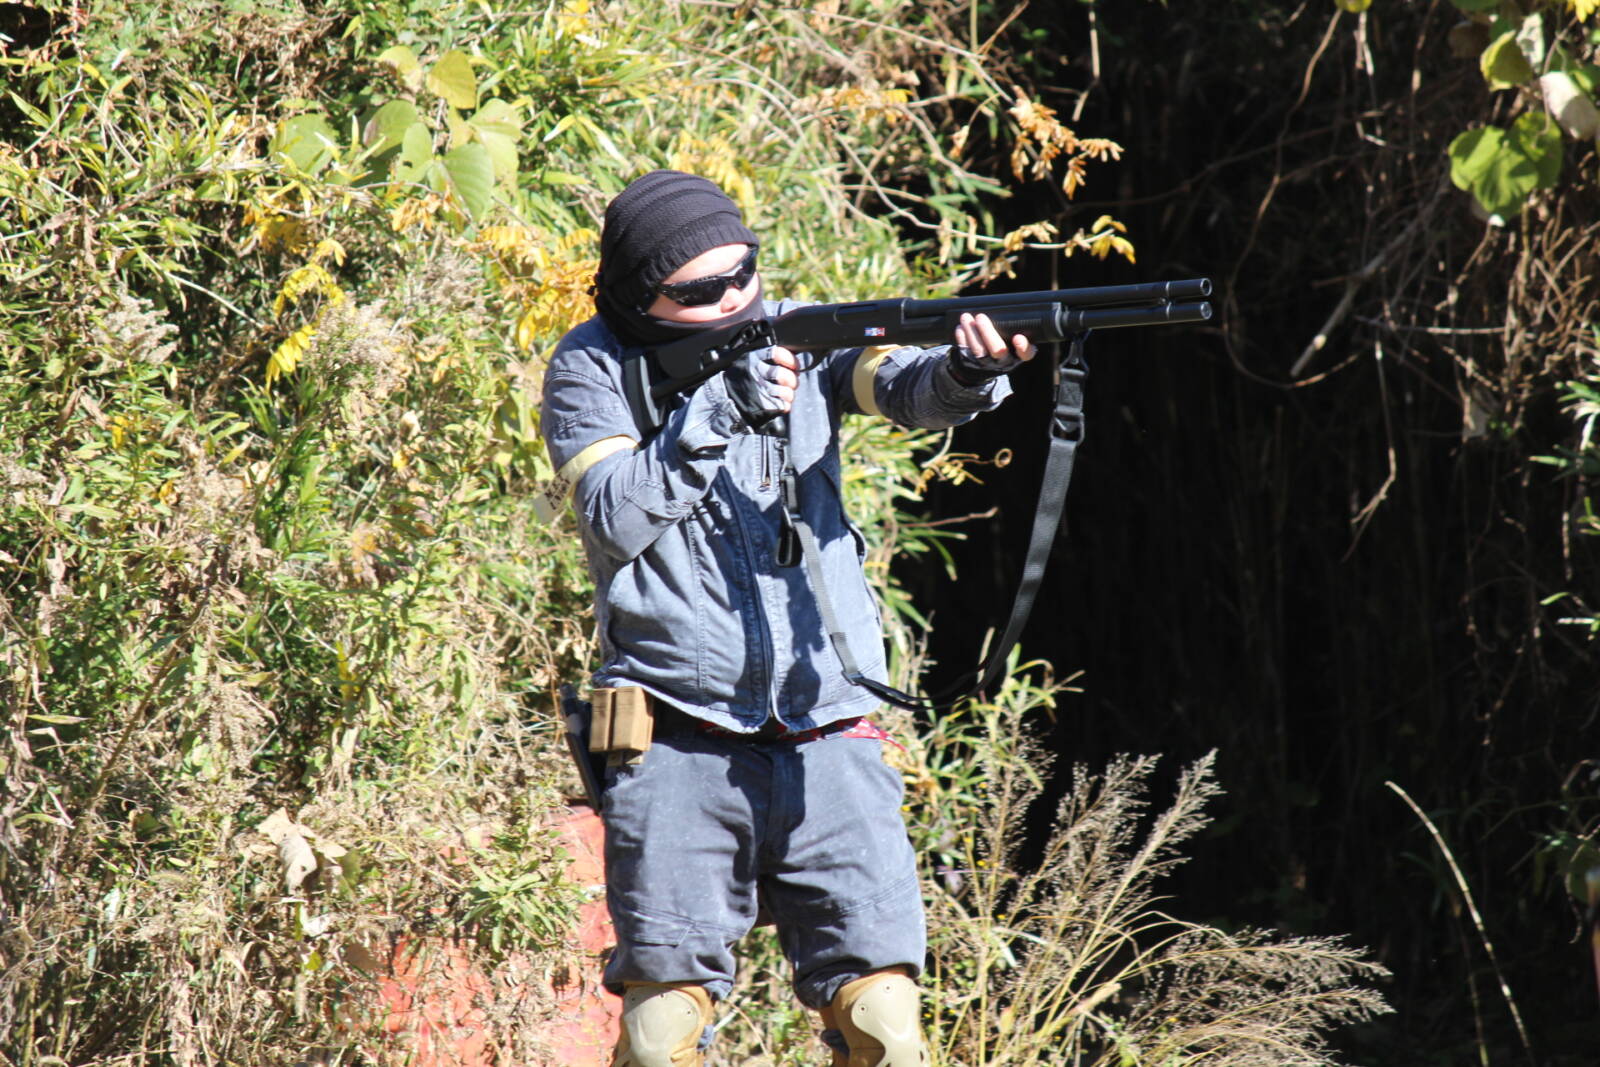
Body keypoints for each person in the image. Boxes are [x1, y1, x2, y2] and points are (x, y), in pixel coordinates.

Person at [540, 170, 1035, 1067]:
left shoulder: (800, 332)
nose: (735, 299)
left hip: (827, 729)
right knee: (659, 1033)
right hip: (676, 735)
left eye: (746, 273)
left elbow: (904, 386)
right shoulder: (590, 367)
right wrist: (716, 412)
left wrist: (969, 370)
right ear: (639, 296)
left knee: (886, 1023)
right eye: (702, 291)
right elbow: (612, 515)